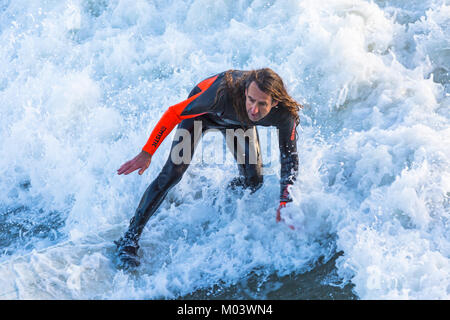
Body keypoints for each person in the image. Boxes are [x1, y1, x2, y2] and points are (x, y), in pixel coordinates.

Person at [115, 68, 301, 269]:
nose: (254, 109)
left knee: (253, 181)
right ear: (245, 91)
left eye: (262, 104)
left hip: (237, 123)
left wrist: (285, 200)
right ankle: (129, 238)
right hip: (201, 116)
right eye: (251, 99)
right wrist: (147, 152)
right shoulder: (222, 93)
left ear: (274, 103)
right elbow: (174, 113)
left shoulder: (284, 115)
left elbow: (289, 158)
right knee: (172, 174)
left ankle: (217, 199)